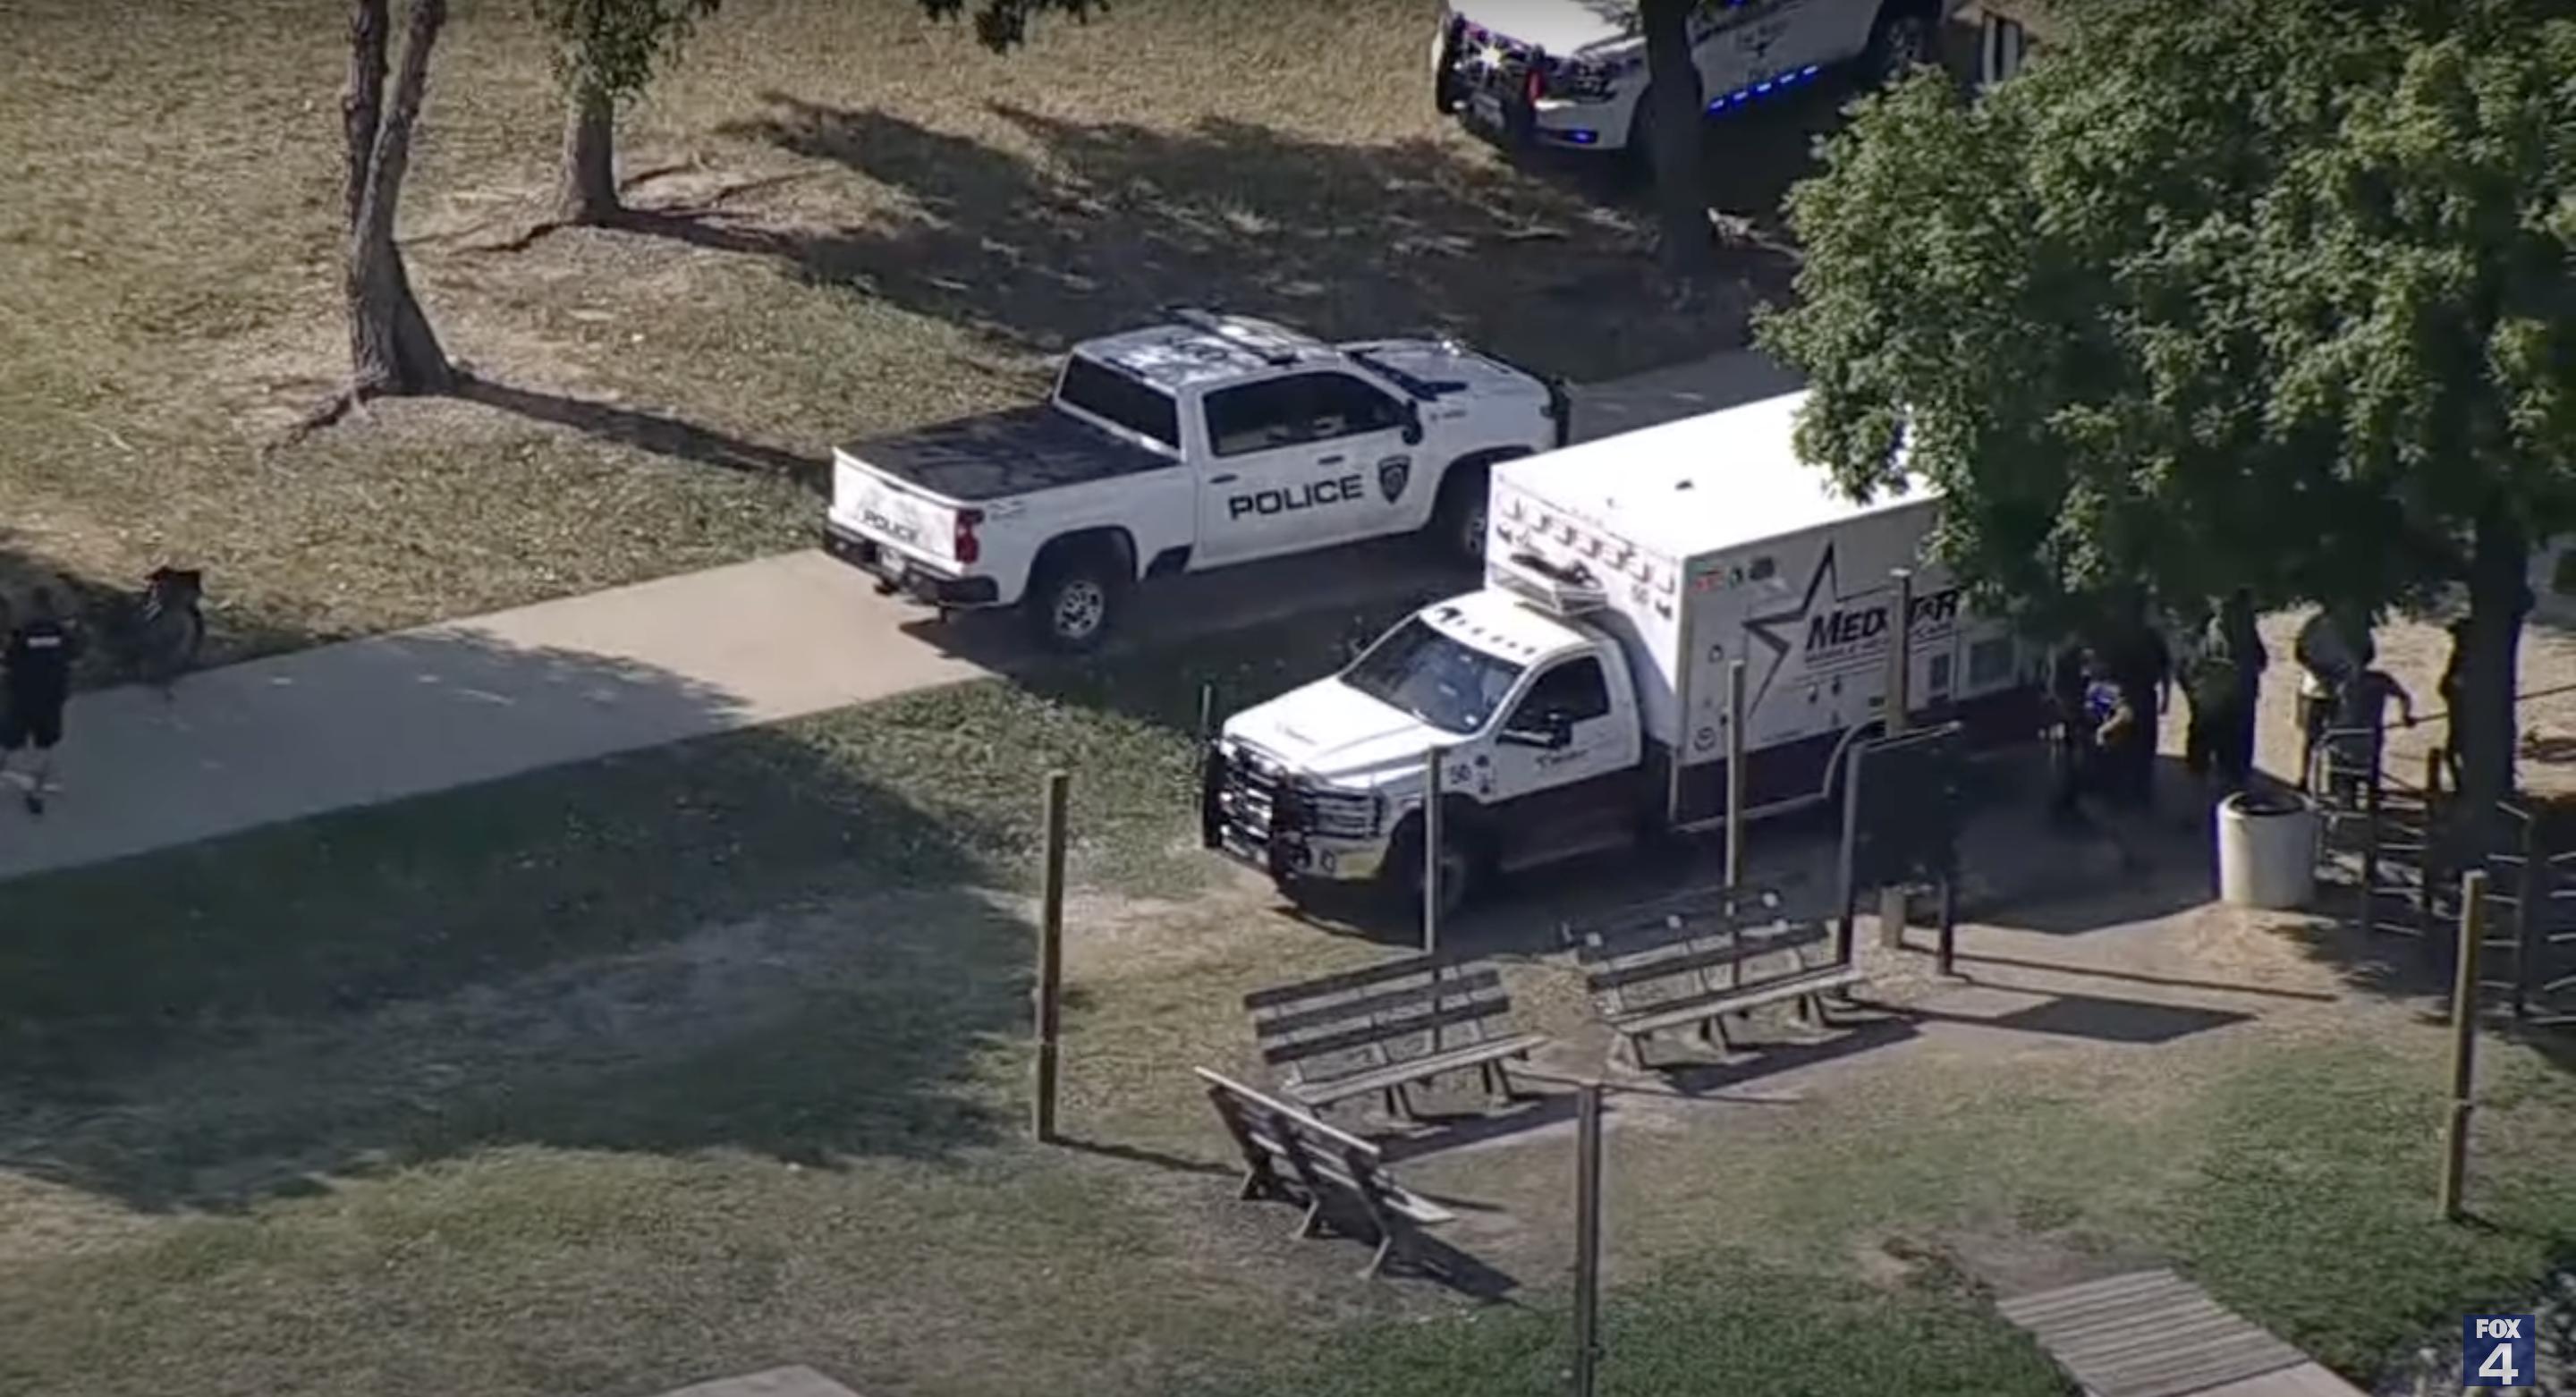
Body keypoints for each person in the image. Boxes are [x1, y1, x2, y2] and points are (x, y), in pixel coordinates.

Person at [0, 587, 82, 815]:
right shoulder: (62, 634)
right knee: (44, 747)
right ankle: (35, 792)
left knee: (7, 741)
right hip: (51, 700)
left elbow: (9, 662)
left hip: (22, 699)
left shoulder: (23, 635)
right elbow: (75, 657)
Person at [2326, 657, 2415, 808]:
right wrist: (2405, 716)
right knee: (2362, 772)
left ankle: (2359, 805)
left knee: (2357, 773)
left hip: (2357, 734)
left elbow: (2403, 697)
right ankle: (2361, 805)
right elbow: (2404, 697)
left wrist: (2405, 716)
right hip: (2358, 734)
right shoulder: (2377, 679)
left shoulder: (2342, 680)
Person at [2293, 605, 2363, 791]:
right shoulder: (2314, 624)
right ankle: (2304, 778)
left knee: (2340, 737)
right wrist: (2318, 671)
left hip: (2342, 690)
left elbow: (2368, 653)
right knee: (2311, 737)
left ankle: (2335, 779)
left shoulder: (2354, 625)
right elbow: (2299, 652)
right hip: (2315, 689)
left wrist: (2349, 673)